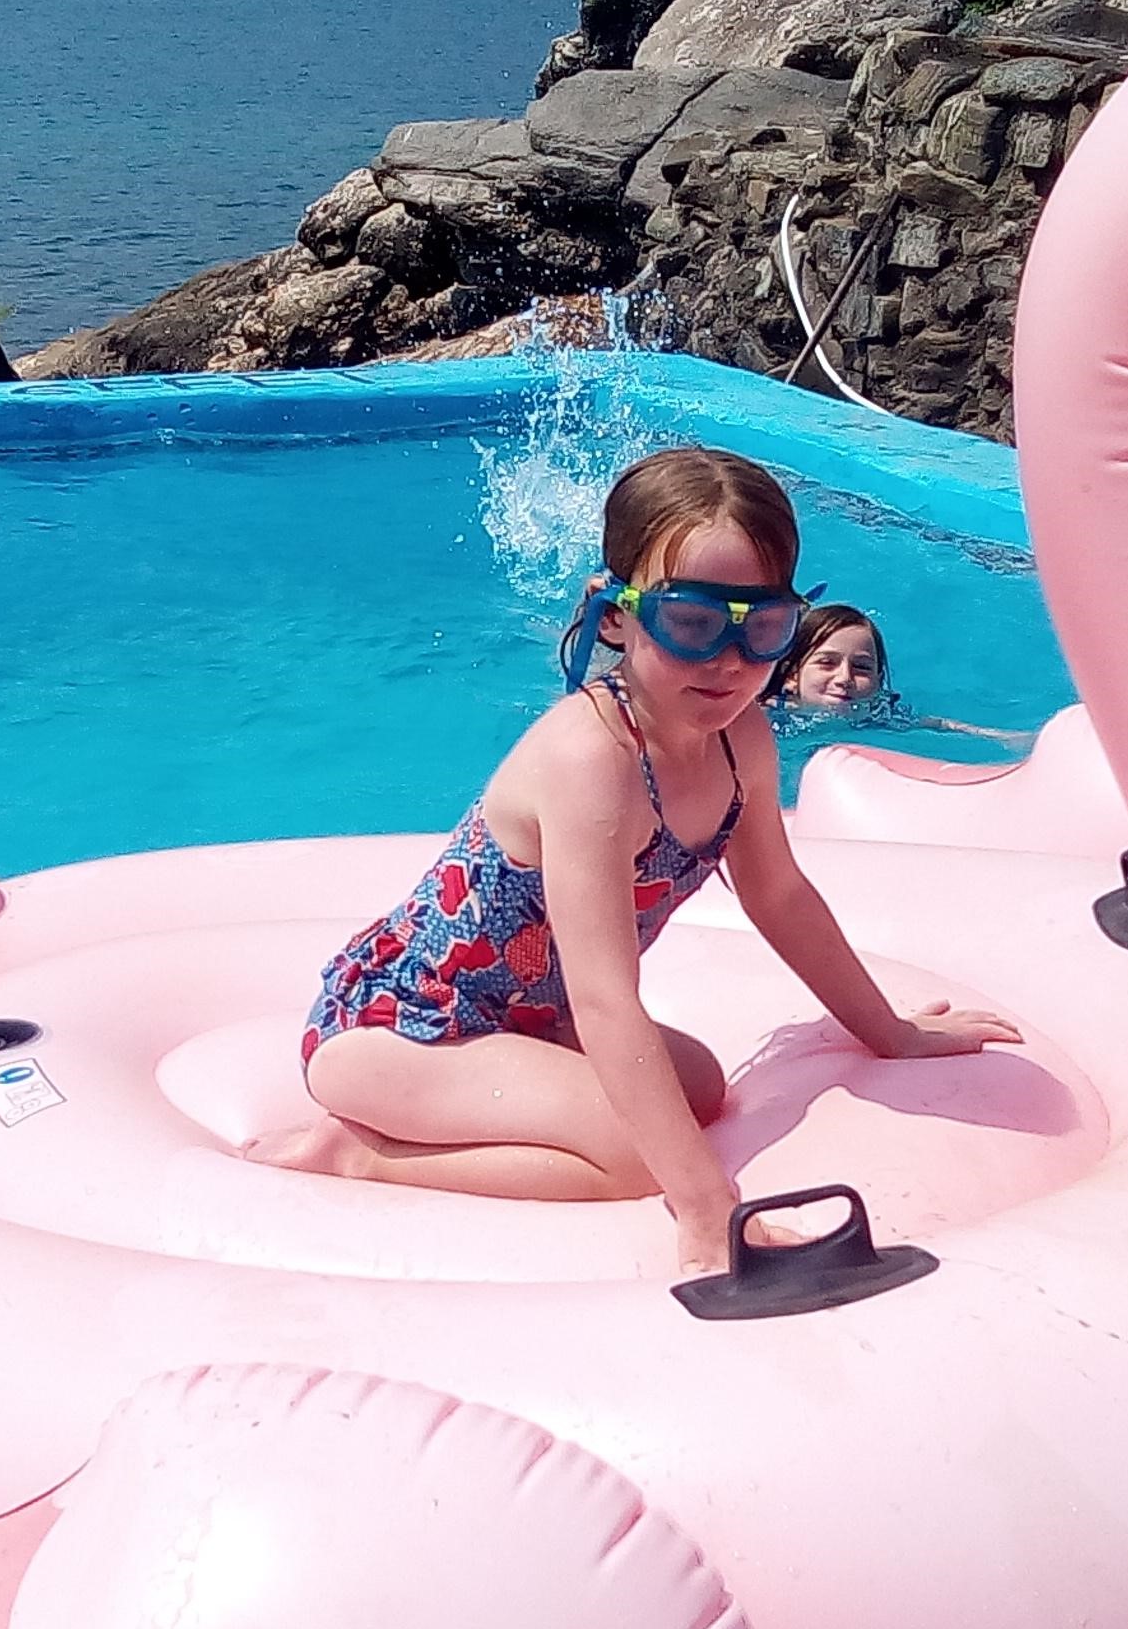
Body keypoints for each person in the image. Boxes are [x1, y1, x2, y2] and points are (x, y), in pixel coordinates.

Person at [274, 448, 1016, 1276]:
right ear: (617, 616)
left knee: (700, 1086)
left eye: (762, 628)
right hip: (405, 1030)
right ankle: (359, 1157)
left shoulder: (739, 736)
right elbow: (604, 995)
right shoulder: (592, 758)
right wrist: (705, 1206)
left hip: (531, 1021)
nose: (728, 661)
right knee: (636, 1159)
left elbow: (777, 892)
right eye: (691, 622)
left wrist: (891, 1033)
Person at [768, 600, 1031, 747]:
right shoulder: (769, 716)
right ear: (792, 675)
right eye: (827, 663)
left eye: (862, 667)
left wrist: (1002, 738)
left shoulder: (878, 716)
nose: (845, 678)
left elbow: (939, 724)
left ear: (878, 681)